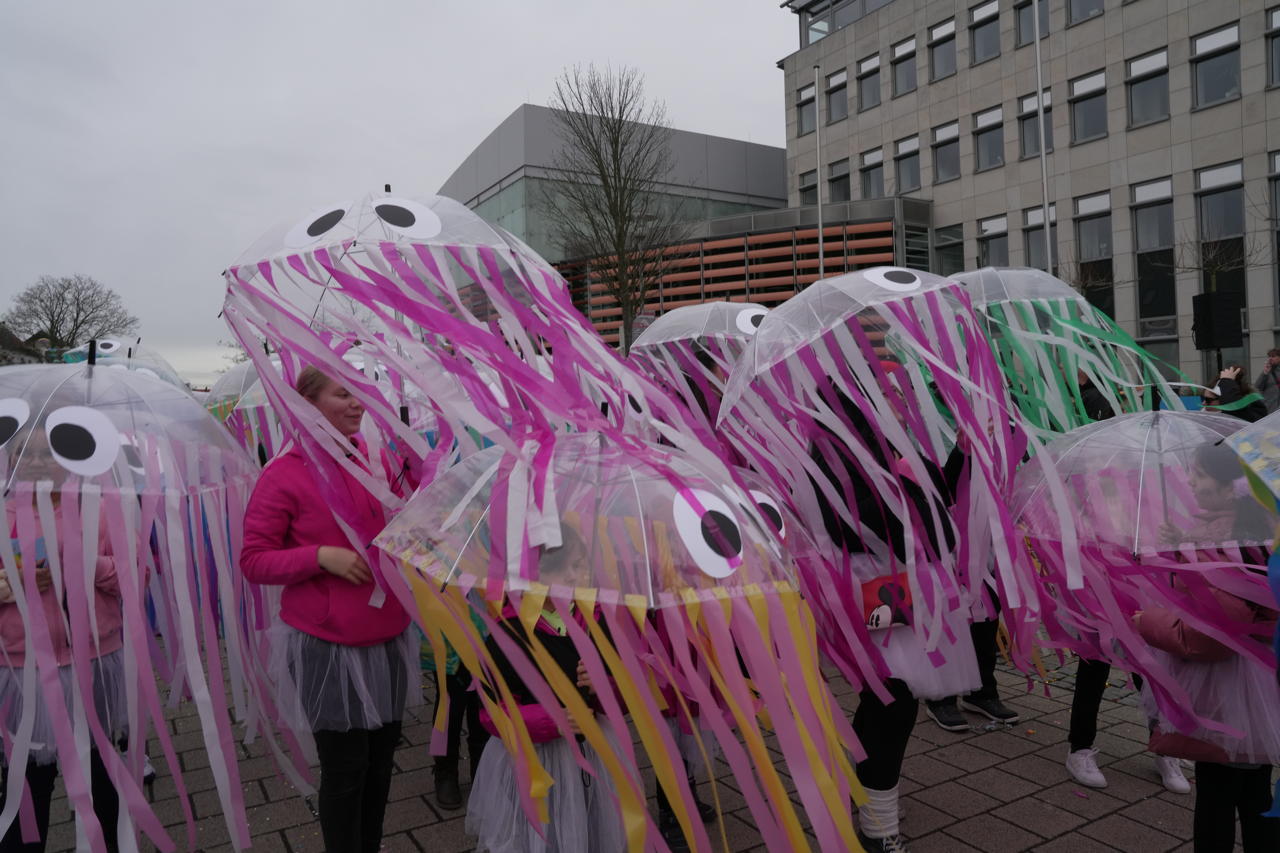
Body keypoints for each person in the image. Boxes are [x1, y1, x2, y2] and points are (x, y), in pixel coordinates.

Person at [240, 367, 416, 853]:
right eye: (344, 395)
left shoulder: (376, 462)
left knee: (382, 764)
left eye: (360, 394)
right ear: (307, 403)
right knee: (346, 769)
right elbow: (254, 560)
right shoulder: (284, 474)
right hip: (328, 646)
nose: (359, 404)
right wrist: (320, 557)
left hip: (388, 637)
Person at [809, 368, 980, 853]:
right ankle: (877, 823)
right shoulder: (829, 445)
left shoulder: (883, 436)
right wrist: (899, 495)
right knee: (894, 697)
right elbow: (841, 521)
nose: (888, 394)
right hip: (869, 586)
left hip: (899, 583)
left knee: (885, 697)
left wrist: (960, 453)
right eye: (878, 388)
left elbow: (937, 494)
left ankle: (865, 797)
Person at [1135, 445, 1279, 851]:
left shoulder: (1219, 546)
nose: (1192, 483)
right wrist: (1182, 544)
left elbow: (1208, 636)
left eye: (1198, 476)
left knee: (1216, 796)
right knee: (1256, 792)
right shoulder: (1263, 530)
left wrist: (1148, 622)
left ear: (1229, 488)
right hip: (1263, 685)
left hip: (1225, 691)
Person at [0, 442, 129, 852]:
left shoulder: (101, 508)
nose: (37, 461)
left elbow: (134, 577)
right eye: (26, 452)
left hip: (93, 661)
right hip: (24, 672)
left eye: (48, 452)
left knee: (102, 777)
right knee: (28, 784)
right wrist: (7, 586)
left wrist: (83, 562)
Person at [466, 528, 627, 852]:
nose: (578, 575)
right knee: (539, 833)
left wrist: (602, 686)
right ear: (534, 575)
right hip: (536, 759)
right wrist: (551, 720)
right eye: (565, 568)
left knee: (588, 824)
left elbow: (621, 699)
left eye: (581, 565)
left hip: (592, 749)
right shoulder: (509, 634)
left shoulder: (595, 622)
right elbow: (492, 714)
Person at [421, 609, 489, 810]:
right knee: (451, 702)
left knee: (484, 702)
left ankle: (482, 769)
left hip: (486, 621)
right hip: (447, 622)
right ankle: (445, 771)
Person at [1202, 365, 1266, 422]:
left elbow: (1232, 406)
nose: (1203, 403)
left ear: (1224, 399)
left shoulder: (1250, 414)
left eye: (1208, 400)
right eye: (1203, 399)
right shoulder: (1206, 416)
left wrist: (1226, 382)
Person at [1253, 348, 1280, 414]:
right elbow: (1258, 386)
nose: (1270, 358)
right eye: (1269, 356)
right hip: (1270, 409)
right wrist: (1265, 373)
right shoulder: (1267, 372)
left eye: (1273, 356)